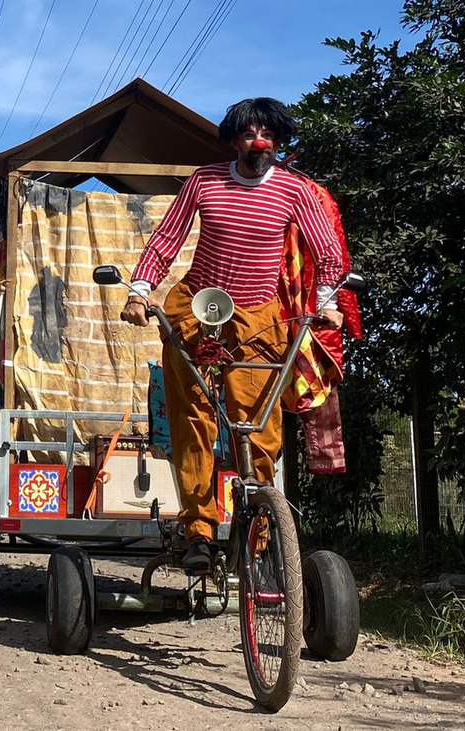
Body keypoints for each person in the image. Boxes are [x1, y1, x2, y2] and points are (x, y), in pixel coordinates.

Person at [121, 97, 344, 572]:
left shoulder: (295, 190)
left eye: (268, 134)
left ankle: (256, 529)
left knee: (259, 425)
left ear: (278, 141)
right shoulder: (205, 181)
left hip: (259, 317)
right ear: (234, 141)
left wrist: (326, 302)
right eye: (249, 134)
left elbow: (326, 250)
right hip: (196, 306)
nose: (259, 142)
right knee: (193, 418)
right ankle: (199, 531)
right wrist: (140, 291)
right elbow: (166, 240)